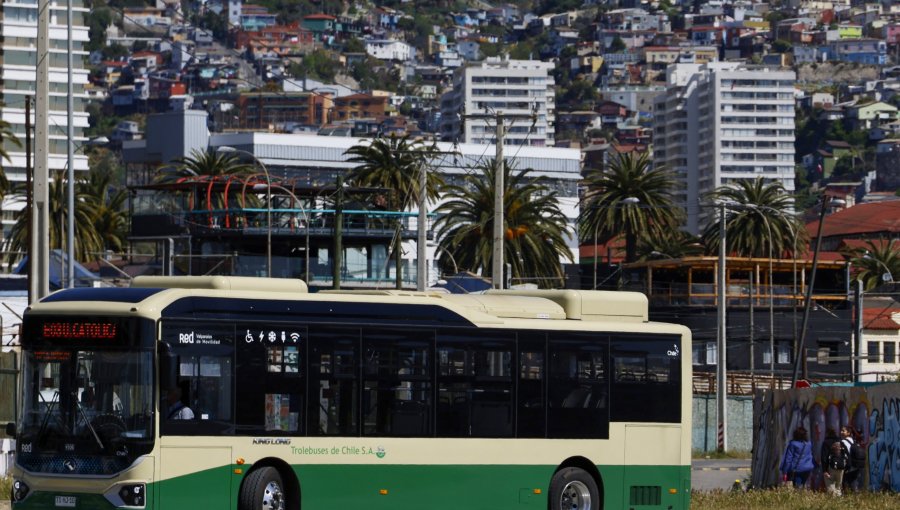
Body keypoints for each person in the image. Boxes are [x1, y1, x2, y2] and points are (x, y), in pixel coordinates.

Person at [841, 426, 865, 492]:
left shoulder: (843, 442)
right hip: (856, 465)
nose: (841, 432)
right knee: (854, 482)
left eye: (843, 431)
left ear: (848, 433)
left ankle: (847, 497)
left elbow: (844, 454)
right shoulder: (853, 441)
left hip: (848, 466)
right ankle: (855, 496)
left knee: (845, 483)